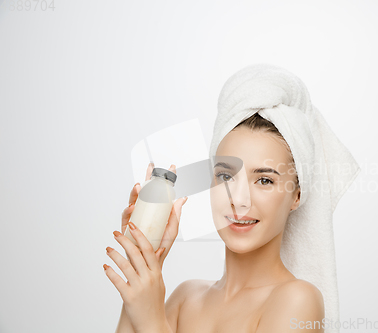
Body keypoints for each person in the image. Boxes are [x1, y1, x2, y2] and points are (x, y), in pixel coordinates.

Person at [105, 63, 360, 333]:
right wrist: (142, 269)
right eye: (226, 177)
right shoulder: (185, 298)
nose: (239, 201)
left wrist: (151, 320)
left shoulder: (297, 301)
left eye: (264, 180)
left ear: (296, 195)